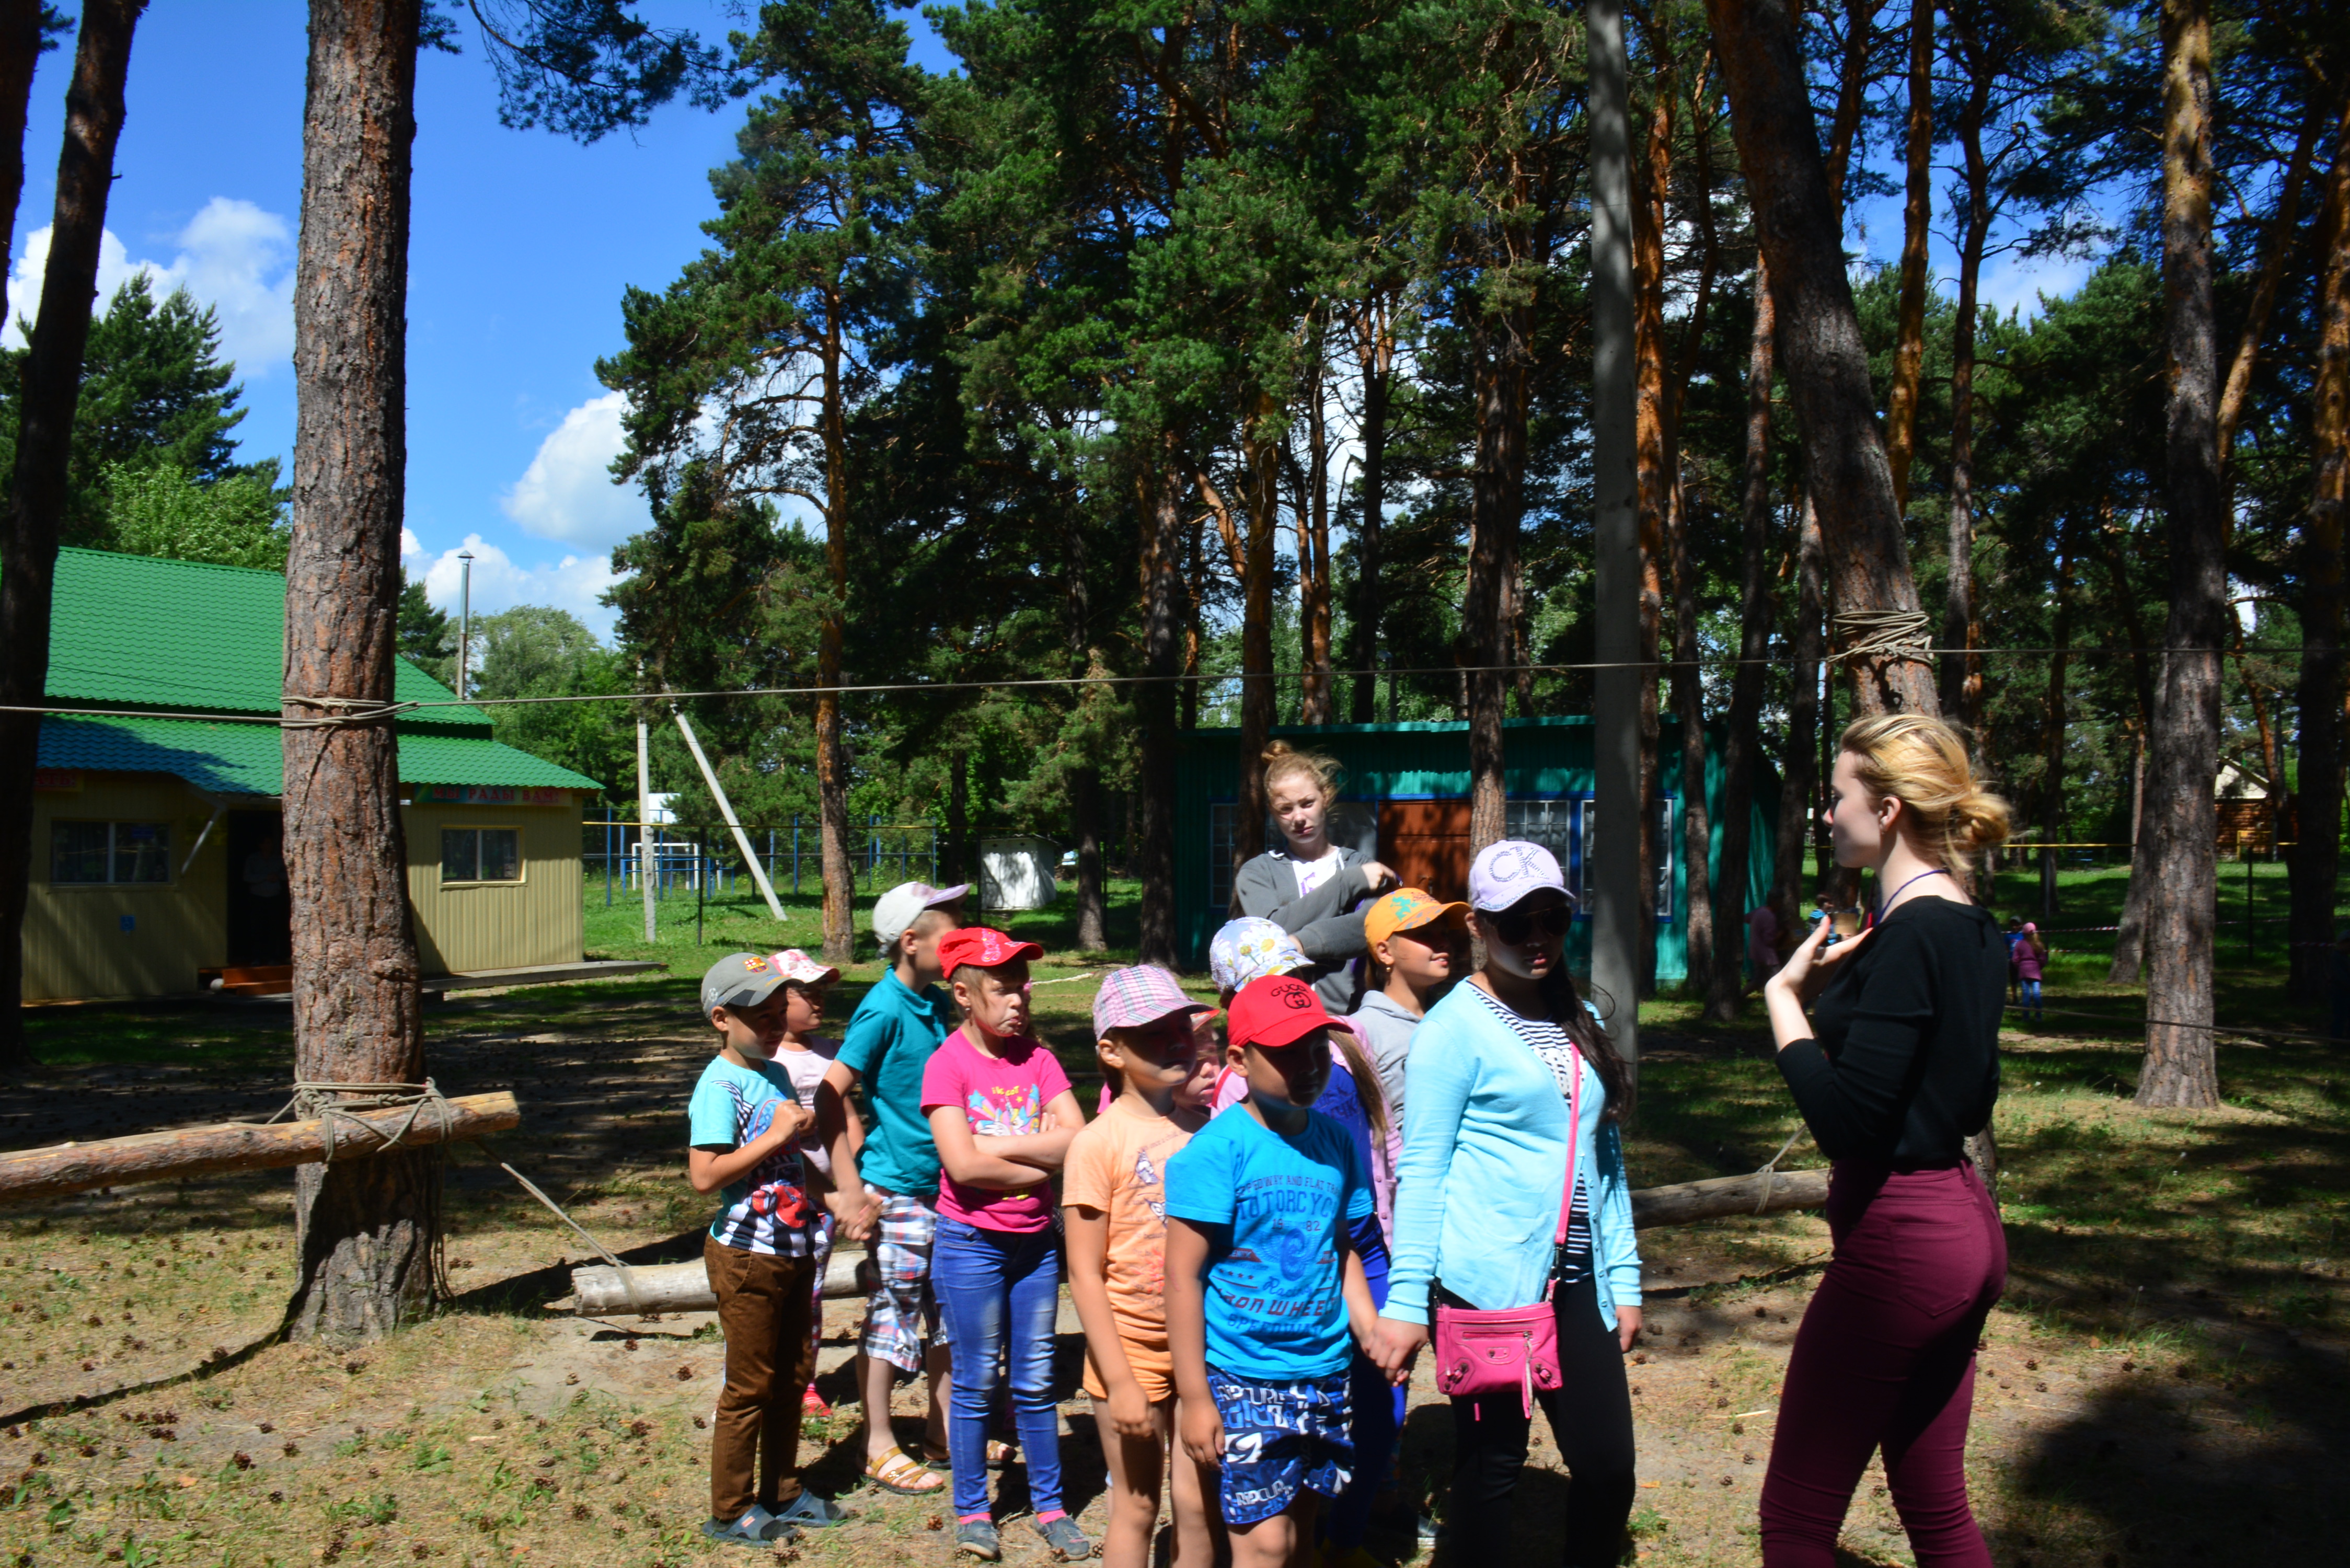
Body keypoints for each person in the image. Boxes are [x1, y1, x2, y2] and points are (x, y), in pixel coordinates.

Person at [1757, 713, 2011, 1568]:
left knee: (1795, 1524)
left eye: (1838, 798)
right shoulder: (1973, 926)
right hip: (1964, 1232)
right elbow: (1969, 1098)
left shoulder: (1912, 935)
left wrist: (1786, 1005)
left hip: (1903, 1246)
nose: (1828, 815)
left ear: (1889, 810)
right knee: (1936, 1508)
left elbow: (1849, 1125)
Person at [1368, 839, 1643, 1568]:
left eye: (1552, 919)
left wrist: (1624, 1276)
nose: (1536, 938)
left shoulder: (1579, 1015)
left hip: (1579, 1280)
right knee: (1491, 1467)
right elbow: (1423, 1170)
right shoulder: (1450, 1030)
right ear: (1478, 928)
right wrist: (1406, 1300)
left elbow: (1604, 1157)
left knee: (1608, 1468)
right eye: (1515, 923)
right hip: (1487, 1285)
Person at [1166, 974, 1384, 1568]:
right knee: (1265, 1545)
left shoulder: (1335, 1142)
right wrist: (1194, 1396)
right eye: (1287, 1053)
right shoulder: (1215, 1152)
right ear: (1239, 1060)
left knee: (1303, 1527)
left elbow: (1340, 1245)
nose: (1309, 1066)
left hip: (1325, 1370)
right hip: (1244, 1374)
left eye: (1318, 1050)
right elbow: (1181, 1277)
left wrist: (1369, 1328)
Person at [920, 926, 1092, 1563]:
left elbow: (1078, 1139)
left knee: (1036, 1378)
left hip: (1035, 1246)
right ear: (964, 995)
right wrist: (1041, 1155)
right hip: (971, 1245)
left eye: (1022, 985)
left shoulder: (1037, 1059)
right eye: (1002, 988)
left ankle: (1050, 1505)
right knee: (974, 1381)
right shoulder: (947, 1065)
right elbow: (961, 1168)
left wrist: (995, 1145)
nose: (1019, 998)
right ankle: (972, 1510)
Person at [685, 954, 855, 1547]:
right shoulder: (719, 1085)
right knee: (750, 1384)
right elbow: (704, 1176)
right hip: (747, 1255)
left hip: (794, 1245)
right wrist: (778, 1134)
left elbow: (789, 1164)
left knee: (793, 1375)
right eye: (762, 1016)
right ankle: (730, 1509)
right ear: (721, 1019)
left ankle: (782, 1489)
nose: (777, 1025)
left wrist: (833, 1197)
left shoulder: (775, 1073)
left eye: (781, 1012)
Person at [1065, 966, 1222, 1568]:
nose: (1177, 1042)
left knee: (1198, 1505)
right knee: (1135, 1506)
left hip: (1205, 1347)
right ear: (1111, 1051)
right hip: (1130, 1350)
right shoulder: (1096, 1143)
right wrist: (1120, 1382)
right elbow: (1083, 1273)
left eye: (1181, 1028)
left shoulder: (1210, 1133)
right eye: (1154, 1033)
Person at [814, 880, 967, 1498]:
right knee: (893, 1314)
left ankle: (943, 1431)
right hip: (898, 1191)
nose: (961, 941)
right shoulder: (882, 1009)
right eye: (950, 933)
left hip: (946, 1186)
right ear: (910, 942)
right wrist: (849, 1188)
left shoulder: (933, 1002)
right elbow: (827, 1095)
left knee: (949, 1314)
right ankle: (875, 1444)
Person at [1233, 741, 1400, 1011]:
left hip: (1347, 1017)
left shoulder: (1358, 864)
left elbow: (1366, 929)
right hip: (1281, 1017)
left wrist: (1300, 943)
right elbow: (1273, 933)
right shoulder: (1258, 872)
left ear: (1326, 797)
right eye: (1285, 809)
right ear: (1273, 812)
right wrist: (1346, 884)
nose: (1298, 817)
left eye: (1307, 803)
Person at [764, 949, 857, 1416]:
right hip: (780, 1197)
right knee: (772, 1292)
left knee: (812, 1292)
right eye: (807, 992)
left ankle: (804, 1381)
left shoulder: (829, 1052)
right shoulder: (766, 1056)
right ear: (777, 999)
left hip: (828, 1199)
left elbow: (848, 1118)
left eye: (822, 991)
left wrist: (855, 1177)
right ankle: (758, 1379)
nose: (819, 1000)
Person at [1347, 887, 1469, 1123]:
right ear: (1385, 952)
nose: (1443, 943)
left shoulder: (1458, 1016)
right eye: (1425, 934)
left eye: (1444, 933)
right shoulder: (1362, 1032)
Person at [2013, 922, 2046, 1027]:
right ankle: (2039, 1017)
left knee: (2026, 995)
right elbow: (2043, 959)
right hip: (2035, 971)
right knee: (2037, 994)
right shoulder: (2039, 945)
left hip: (2023, 970)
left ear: (2024, 933)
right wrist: (2039, 966)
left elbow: (2015, 960)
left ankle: (2026, 1017)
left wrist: (2020, 967)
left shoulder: (2020, 944)